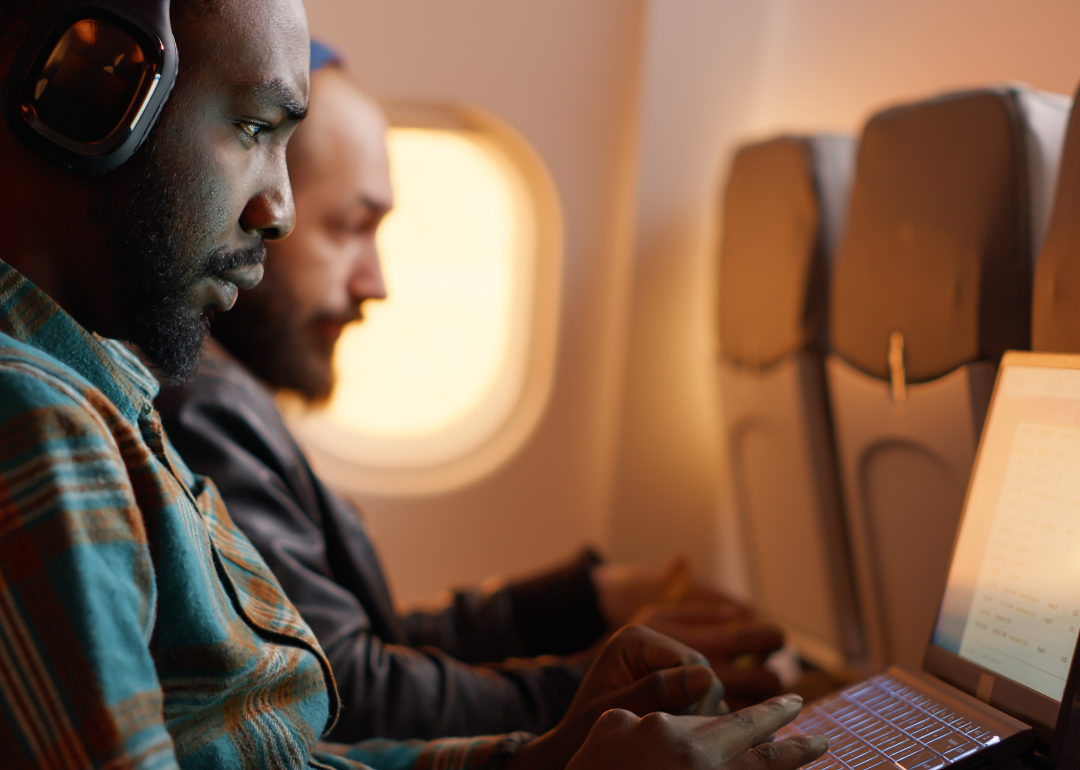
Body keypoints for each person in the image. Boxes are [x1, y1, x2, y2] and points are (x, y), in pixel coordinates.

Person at [0, 1, 832, 768]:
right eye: (254, 127)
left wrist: (543, 757)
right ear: (83, 101)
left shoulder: (118, 397)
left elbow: (282, 752)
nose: (278, 211)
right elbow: (351, 687)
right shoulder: (39, 416)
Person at [157, 44, 788, 743]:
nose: (376, 283)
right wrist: (616, 688)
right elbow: (348, 689)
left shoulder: (224, 393)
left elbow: (374, 636)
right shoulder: (200, 405)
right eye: (348, 226)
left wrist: (583, 600)